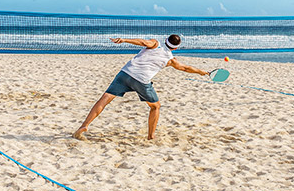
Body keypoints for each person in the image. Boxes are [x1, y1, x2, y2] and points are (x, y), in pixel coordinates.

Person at [74, 34, 208, 140]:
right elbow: (185, 68)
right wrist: (201, 72)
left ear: (165, 40)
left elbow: (143, 42)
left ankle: (84, 125)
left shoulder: (155, 44)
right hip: (141, 80)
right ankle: (151, 136)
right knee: (155, 106)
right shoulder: (171, 60)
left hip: (125, 73)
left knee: (105, 98)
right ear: (176, 48)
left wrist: (124, 40)